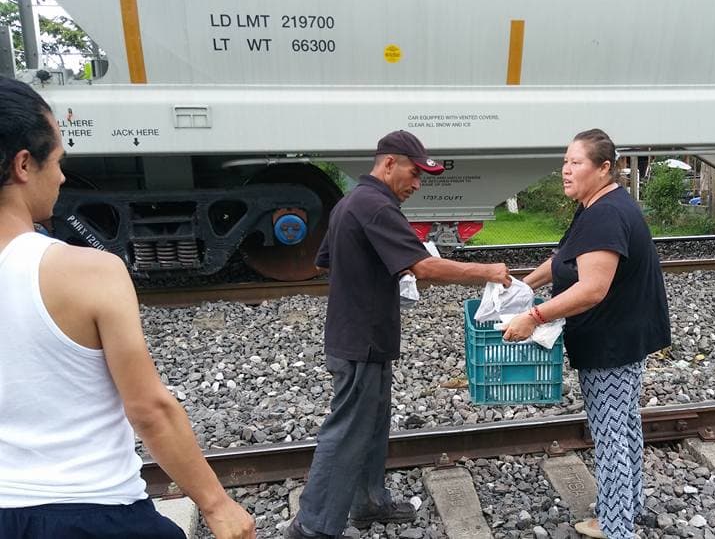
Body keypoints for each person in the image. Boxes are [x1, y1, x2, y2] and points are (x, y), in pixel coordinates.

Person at [0, 80, 255, 538]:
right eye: (57, 162)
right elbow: (149, 410)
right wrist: (217, 505)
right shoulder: (89, 271)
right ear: (24, 165)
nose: (61, 177)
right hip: (92, 513)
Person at [287, 130, 511, 539]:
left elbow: (325, 261)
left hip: (359, 334)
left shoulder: (351, 202)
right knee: (349, 430)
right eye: (414, 172)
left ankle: (369, 504)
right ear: (389, 163)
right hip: (361, 339)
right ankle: (312, 527)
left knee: (371, 425)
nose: (417, 183)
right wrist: (488, 271)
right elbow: (423, 266)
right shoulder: (375, 206)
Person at [502, 129, 670, 539]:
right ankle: (629, 508)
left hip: (611, 342)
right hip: (623, 335)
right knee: (624, 424)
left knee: (610, 432)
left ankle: (615, 527)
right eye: (564, 162)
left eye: (576, 162)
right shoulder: (596, 205)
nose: (565, 170)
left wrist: (534, 316)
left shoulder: (606, 213)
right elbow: (564, 259)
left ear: (604, 168)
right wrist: (524, 286)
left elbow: (593, 288)